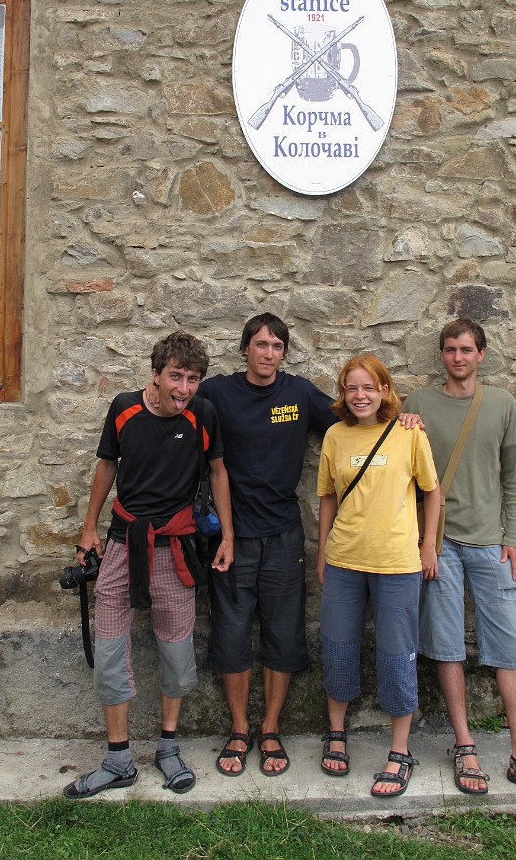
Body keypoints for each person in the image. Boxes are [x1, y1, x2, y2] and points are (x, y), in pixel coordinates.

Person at [405, 317, 516, 798]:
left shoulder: (501, 404)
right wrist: (402, 423)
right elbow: (403, 467)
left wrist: (514, 539)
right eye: (450, 349)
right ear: (441, 354)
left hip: (489, 543)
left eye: (466, 349)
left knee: (507, 645)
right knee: (446, 645)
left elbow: (513, 477)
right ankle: (465, 745)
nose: (458, 357)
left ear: (481, 354)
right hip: (440, 544)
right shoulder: (419, 403)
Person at [63, 331, 234, 799]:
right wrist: (89, 528)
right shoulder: (123, 409)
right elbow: (106, 466)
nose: (183, 388)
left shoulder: (203, 414)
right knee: (109, 650)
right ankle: (118, 759)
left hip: (175, 550)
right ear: (154, 375)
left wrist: (228, 537)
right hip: (123, 545)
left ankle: (168, 747)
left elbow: (218, 471)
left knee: (177, 654)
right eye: (175, 377)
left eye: (192, 379)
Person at [196, 313, 337, 776]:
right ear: (245, 349)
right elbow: (174, 407)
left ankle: (271, 729)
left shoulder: (298, 394)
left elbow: (352, 419)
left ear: (284, 353)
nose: (268, 353)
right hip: (231, 538)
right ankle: (240, 730)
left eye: (277, 346)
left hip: (283, 535)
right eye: (260, 344)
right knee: (232, 634)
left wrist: (401, 418)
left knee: (283, 633)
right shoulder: (217, 393)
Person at [316, 354, 440, 798]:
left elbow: (431, 492)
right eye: (352, 388)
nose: (360, 395)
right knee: (337, 647)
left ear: (385, 390)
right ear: (343, 393)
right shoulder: (335, 435)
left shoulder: (409, 433)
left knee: (397, 653)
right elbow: (327, 497)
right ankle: (336, 733)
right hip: (344, 560)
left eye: (369, 387)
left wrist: (428, 545)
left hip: (397, 564)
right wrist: (322, 553)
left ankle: (399, 750)